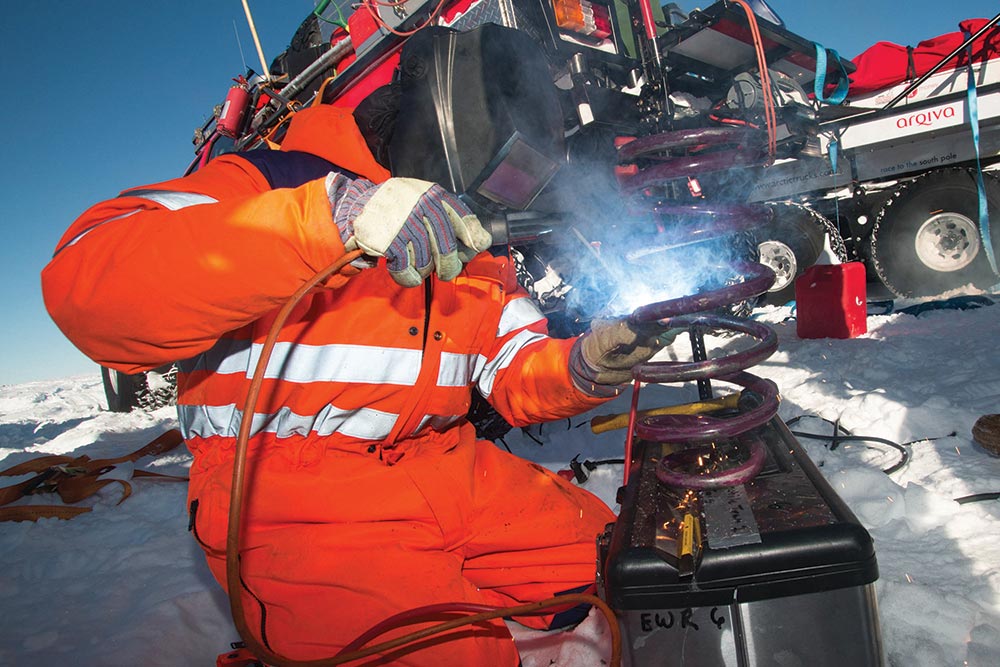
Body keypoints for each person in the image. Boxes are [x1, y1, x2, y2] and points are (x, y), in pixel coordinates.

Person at [41, 102, 667, 665]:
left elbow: (511, 365)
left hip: (446, 468)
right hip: (292, 498)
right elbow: (86, 289)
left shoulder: (472, 239)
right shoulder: (269, 180)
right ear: (446, 129)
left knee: (624, 561)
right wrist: (328, 222)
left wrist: (582, 366)